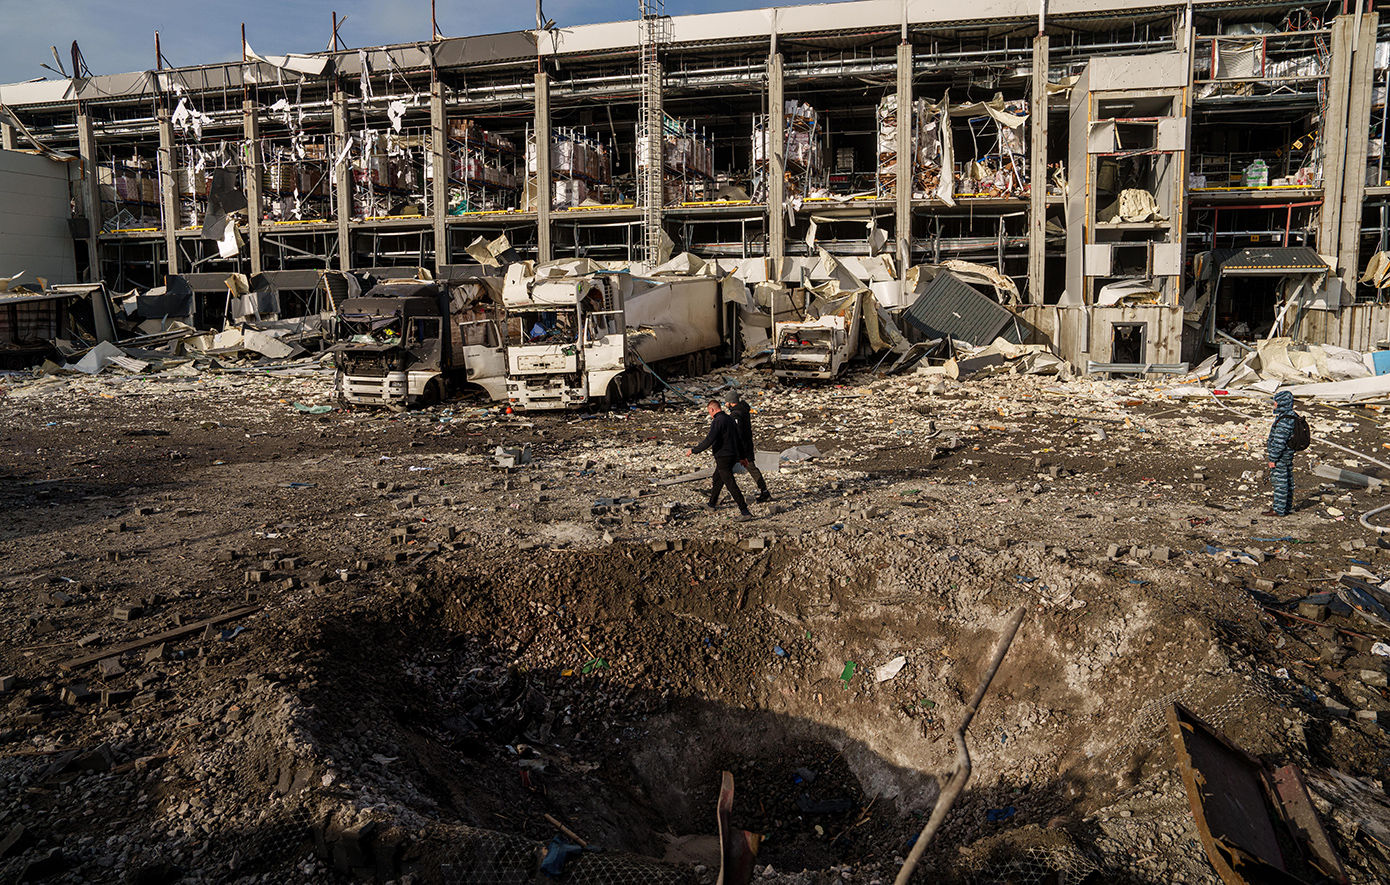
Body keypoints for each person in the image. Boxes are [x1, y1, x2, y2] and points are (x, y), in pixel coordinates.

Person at [689, 399, 752, 521]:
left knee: (730, 484)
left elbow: (709, 440)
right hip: (732, 455)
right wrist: (742, 457)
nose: (710, 415)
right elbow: (738, 439)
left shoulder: (718, 421)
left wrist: (694, 450)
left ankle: (745, 511)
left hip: (723, 457)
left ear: (712, 409)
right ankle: (711, 504)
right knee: (717, 479)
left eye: (709, 412)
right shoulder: (729, 419)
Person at [725, 395, 771, 503]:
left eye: (726, 402)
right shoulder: (743, 409)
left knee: (724, 468)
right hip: (747, 444)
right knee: (751, 468)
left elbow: (738, 433)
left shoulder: (736, 414)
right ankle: (764, 491)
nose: (725, 404)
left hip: (740, 447)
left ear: (731, 402)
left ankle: (715, 492)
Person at [1264, 390, 1298, 517]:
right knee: (1287, 478)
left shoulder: (1284, 420)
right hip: (1288, 453)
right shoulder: (1292, 416)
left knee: (1280, 481)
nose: (1275, 405)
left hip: (1282, 455)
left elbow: (1279, 442)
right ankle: (1286, 507)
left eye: (1276, 402)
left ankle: (1278, 509)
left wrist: (1273, 458)